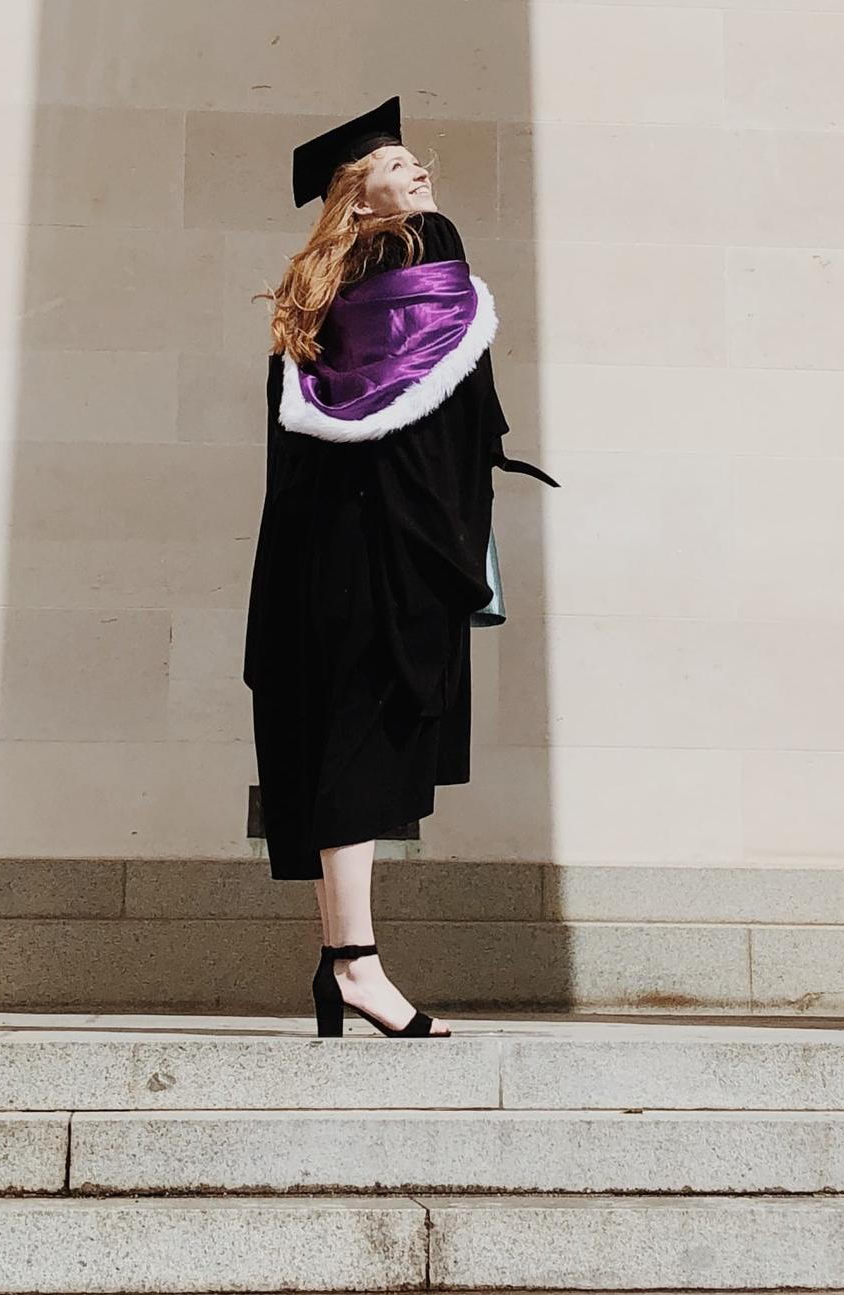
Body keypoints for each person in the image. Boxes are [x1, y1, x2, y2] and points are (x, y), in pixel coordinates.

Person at [244, 96, 560, 1039]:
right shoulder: (423, 241)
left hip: (314, 548)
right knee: (365, 736)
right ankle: (354, 967)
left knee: (339, 730)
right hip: (387, 539)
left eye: (419, 161)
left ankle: (343, 959)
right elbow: (438, 411)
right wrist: (459, 534)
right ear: (356, 193)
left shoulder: (319, 290)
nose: (420, 171)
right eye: (395, 161)